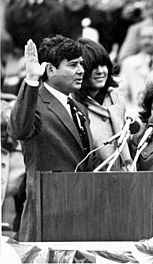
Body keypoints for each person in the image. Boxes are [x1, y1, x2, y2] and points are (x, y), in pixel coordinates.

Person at [8, 35, 97, 241]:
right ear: (50, 70)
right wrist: (31, 80)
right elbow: (19, 130)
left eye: (81, 64)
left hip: (83, 212)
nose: (81, 71)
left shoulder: (79, 108)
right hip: (48, 213)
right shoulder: (34, 102)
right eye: (73, 65)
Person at [74, 37, 132, 171]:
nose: (100, 71)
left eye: (103, 65)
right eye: (93, 67)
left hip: (124, 176)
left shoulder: (116, 97)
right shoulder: (74, 103)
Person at [1, 94, 26, 239]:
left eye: (12, 133)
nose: (10, 139)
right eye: (3, 135)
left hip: (14, 230)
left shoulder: (23, 154)